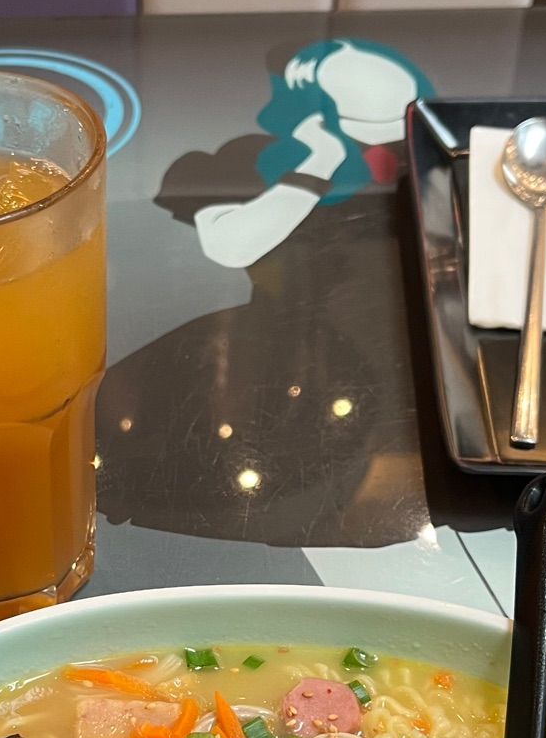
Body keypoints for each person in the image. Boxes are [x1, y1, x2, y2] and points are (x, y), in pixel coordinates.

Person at [98, 38, 432, 549]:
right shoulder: (247, 161)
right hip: (229, 358)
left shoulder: (398, 183)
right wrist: (315, 164)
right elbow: (230, 243)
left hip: (348, 379)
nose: (375, 152)